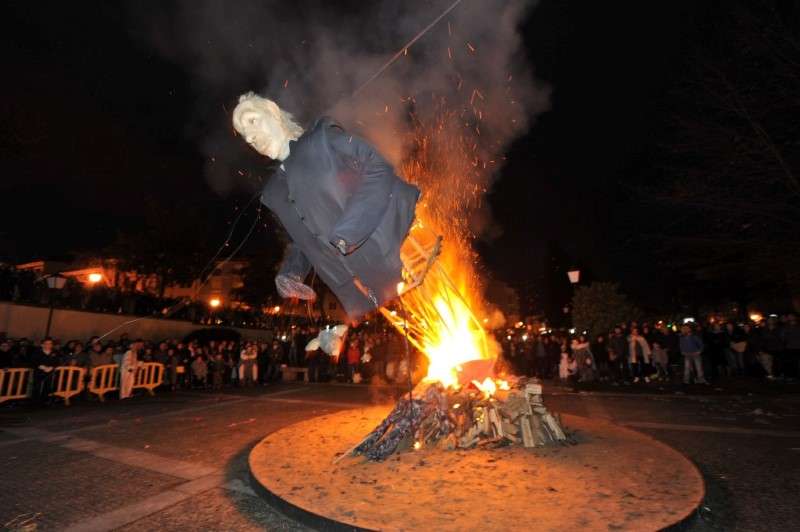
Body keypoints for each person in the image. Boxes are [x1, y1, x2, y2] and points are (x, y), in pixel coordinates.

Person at [232, 92, 420, 321]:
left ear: (272, 110)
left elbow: (378, 167)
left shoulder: (321, 139)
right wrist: (292, 272)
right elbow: (303, 238)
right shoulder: (274, 193)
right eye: (244, 134)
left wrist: (349, 232)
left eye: (252, 121)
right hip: (362, 291)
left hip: (395, 253)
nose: (251, 137)